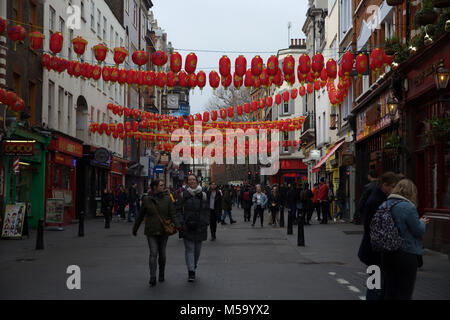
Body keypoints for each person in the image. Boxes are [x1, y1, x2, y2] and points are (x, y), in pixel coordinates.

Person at [381, 179, 429, 300]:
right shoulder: (408, 207)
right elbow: (418, 230)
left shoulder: (385, 204)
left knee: (390, 289)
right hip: (406, 252)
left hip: (387, 252)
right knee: (404, 290)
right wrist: (422, 222)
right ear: (411, 192)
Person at [358, 171, 401, 300]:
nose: (394, 190)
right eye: (393, 186)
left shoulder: (378, 197)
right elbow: (372, 227)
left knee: (376, 285)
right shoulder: (378, 201)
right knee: (375, 286)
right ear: (385, 185)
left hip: (373, 250)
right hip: (374, 252)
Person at [132, 179, 179, 287]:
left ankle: (161, 273)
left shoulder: (167, 199)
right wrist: (135, 229)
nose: (163, 187)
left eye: (163, 185)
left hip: (164, 231)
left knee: (162, 254)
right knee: (153, 253)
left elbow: (173, 214)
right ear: (154, 187)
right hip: (151, 230)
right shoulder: (147, 200)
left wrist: (178, 226)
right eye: (161, 185)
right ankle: (152, 276)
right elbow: (140, 215)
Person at [176, 174, 209, 282]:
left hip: (200, 226)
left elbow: (206, 210)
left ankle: (193, 264)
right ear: (187, 182)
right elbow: (178, 210)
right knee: (189, 249)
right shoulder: (182, 195)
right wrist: (181, 222)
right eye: (189, 180)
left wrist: (205, 221)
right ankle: (191, 272)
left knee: (197, 250)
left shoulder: (203, 195)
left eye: (193, 180)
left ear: (197, 181)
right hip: (187, 226)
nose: (192, 181)